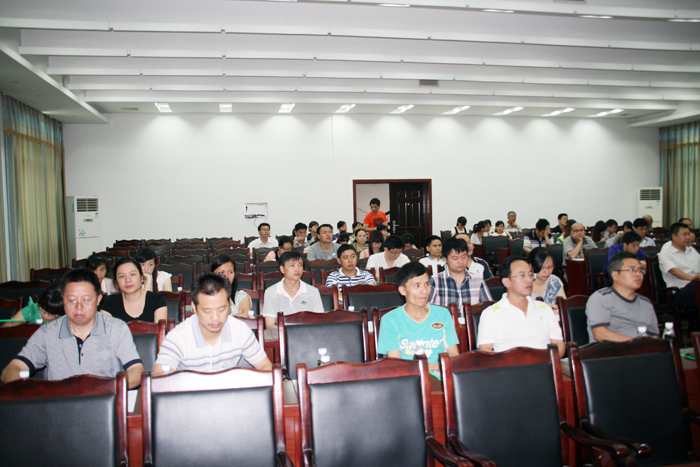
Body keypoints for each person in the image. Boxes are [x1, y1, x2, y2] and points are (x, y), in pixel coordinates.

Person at [1, 269, 144, 389]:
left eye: (86, 300)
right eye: (71, 300)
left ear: (98, 299)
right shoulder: (47, 333)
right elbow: (11, 370)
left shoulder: (117, 328)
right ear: (63, 299)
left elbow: (136, 371)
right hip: (58, 405)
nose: (79, 307)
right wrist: (30, 390)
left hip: (105, 403)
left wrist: (107, 388)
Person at [152, 272, 272, 376]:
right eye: (207, 311)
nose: (215, 318)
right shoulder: (178, 337)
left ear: (229, 304)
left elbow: (265, 367)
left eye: (221, 309)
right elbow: (158, 378)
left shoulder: (240, 330)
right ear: (194, 307)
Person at [377, 262, 460, 371]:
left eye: (427, 284)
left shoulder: (442, 314)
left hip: (442, 374)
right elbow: (396, 365)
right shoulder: (390, 320)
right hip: (409, 376)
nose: (424, 291)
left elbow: (454, 355)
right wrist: (435, 366)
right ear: (403, 290)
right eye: (417, 285)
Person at [477, 255, 565, 357]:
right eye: (521, 275)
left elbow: (559, 343)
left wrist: (548, 361)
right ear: (507, 282)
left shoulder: (544, 309)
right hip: (509, 365)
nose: (529, 280)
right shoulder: (491, 314)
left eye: (530, 275)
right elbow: (485, 351)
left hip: (544, 364)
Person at [587, 252, 658, 342]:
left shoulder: (646, 303)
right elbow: (600, 334)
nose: (638, 274)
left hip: (641, 349)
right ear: (615, 275)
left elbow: (654, 336)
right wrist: (638, 343)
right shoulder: (601, 298)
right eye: (631, 270)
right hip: (611, 349)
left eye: (640, 270)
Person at [429, 237, 492, 317]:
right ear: (445, 259)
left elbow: (489, 308)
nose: (460, 262)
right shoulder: (435, 280)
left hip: (473, 324)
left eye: (464, 257)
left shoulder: (478, 280)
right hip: (445, 324)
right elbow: (427, 310)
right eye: (455, 258)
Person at [262, 251, 324, 328]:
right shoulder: (270, 292)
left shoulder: (313, 292)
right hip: (282, 334)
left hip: (308, 334)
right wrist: (291, 333)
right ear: (282, 269)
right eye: (292, 265)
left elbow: (319, 323)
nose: (297, 269)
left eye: (300, 265)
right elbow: (269, 325)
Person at [100, 258, 168, 323]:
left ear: (141, 277)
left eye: (132, 274)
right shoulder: (110, 302)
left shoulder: (157, 299)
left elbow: (161, 329)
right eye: (122, 276)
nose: (127, 280)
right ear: (116, 282)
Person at [659, 222, 700, 311]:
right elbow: (674, 271)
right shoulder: (665, 254)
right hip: (681, 293)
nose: (688, 237)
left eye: (688, 234)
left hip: (696, 288)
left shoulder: (691, 250)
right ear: (674, 236)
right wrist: (694, 279)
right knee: (695, 286)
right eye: (684, 235)